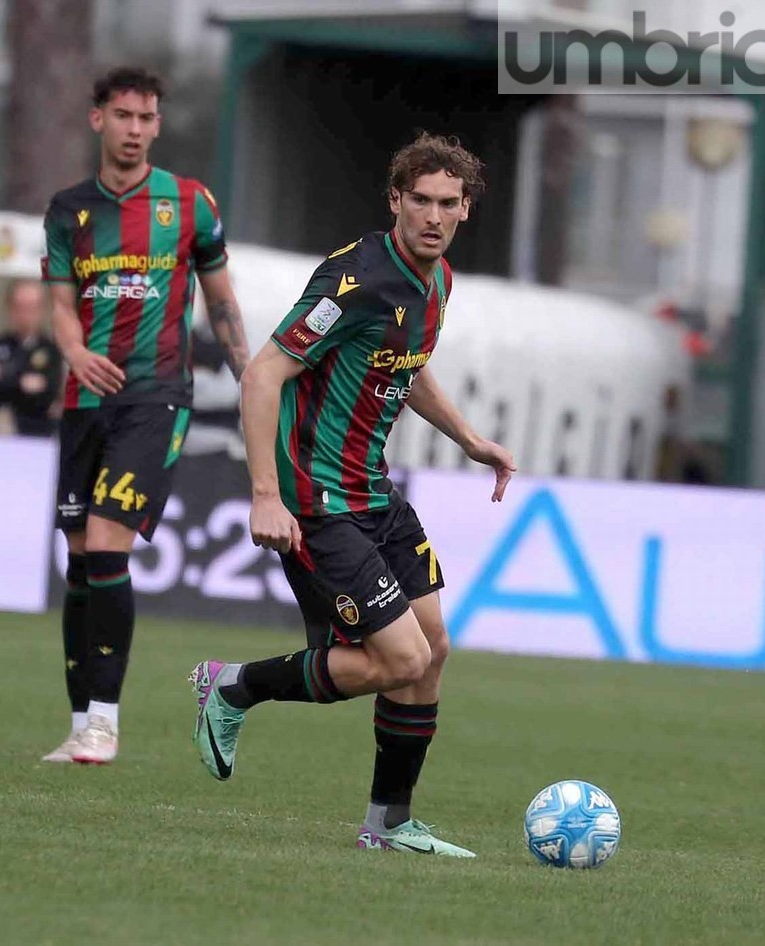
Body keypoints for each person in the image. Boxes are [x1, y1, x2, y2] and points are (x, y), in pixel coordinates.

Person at [188, 133, 516, 857]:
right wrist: (266, 495)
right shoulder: (355, 281)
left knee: (432, 653)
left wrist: (467, 436)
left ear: (465, 209)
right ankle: (232, 687)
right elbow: (263, 374)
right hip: (315, 499)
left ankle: (389, 825)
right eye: (420, 201)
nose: (433, 215)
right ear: (395, 201)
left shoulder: (438, 281)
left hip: (375, 491)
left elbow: (406, 364)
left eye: (448, 203)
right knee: (397, 660)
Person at [40, 66, 250, 764]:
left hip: (156, 398)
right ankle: (80, 726)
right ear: (98, 118)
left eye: (146, 118)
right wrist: (72, 350)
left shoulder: (189, 205)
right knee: (78, 564)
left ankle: (106, 721)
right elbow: (61, 305)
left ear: (158, 124)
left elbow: (220, 298)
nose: (135, 129)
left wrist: (248, 368)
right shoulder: (69, 210)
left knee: (106, 545)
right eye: (123, 116)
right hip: (85, 403)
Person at [0, 280, 63, 437]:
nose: (25, 315)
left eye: (31, 308)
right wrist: (21, 381)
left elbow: (48, 391)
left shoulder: (52, 351)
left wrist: (1, 374)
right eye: (19, 307)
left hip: (35, 435)